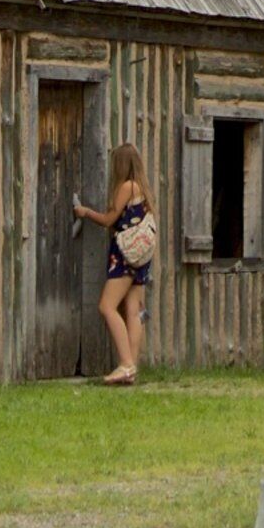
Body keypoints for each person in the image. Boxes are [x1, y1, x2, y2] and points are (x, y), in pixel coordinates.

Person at [73, 142, 155, 386]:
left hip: (124, 256)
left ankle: (126, 364)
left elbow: (110, 219)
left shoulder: (127, 187)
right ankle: (132, 367)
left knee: (107, 306)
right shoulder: (143, 189)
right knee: (134, 310)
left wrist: (85, 212)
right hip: (141, 256)